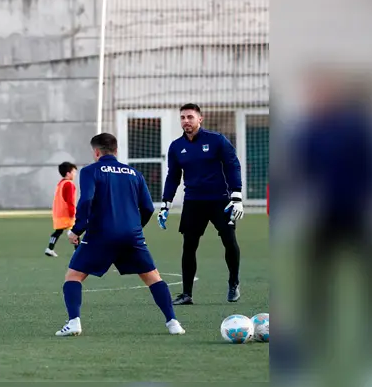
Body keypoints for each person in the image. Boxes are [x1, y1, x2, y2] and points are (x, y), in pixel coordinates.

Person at [55, 133, 185, 337]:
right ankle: (173, 322)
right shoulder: (134, 173)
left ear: (96, 152)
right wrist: (135, 228)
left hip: (100, 235)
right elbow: (148, 207)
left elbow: (86, 200)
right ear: (116, 151)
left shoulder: (90, 171)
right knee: (153, 278)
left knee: (74, 276)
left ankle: (74, 322)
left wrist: (77, 229)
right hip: (131, 235)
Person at [157, 103, 244, 304]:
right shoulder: (176, 147)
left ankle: (233, 283)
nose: (186, 121)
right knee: (189, 246)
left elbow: (232, 165)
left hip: (221, 200)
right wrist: (166, 203)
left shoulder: (217, 140)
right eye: (182, 117)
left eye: (190, 117)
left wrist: (236, 196)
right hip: (193, 202)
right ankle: (187, 294)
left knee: (229, 241)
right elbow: (173, 176)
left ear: (200, 119)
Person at [45, 161, 78, 257]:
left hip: (58, 213)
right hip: (67, 213)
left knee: (58, 231)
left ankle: (50, 248)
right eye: (74, 172)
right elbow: (70, 201)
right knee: (75, 231)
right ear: (68, 173)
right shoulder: (69, 184)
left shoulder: (61, 183)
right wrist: (73, 213)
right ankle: (77, 251)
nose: (75, 174)